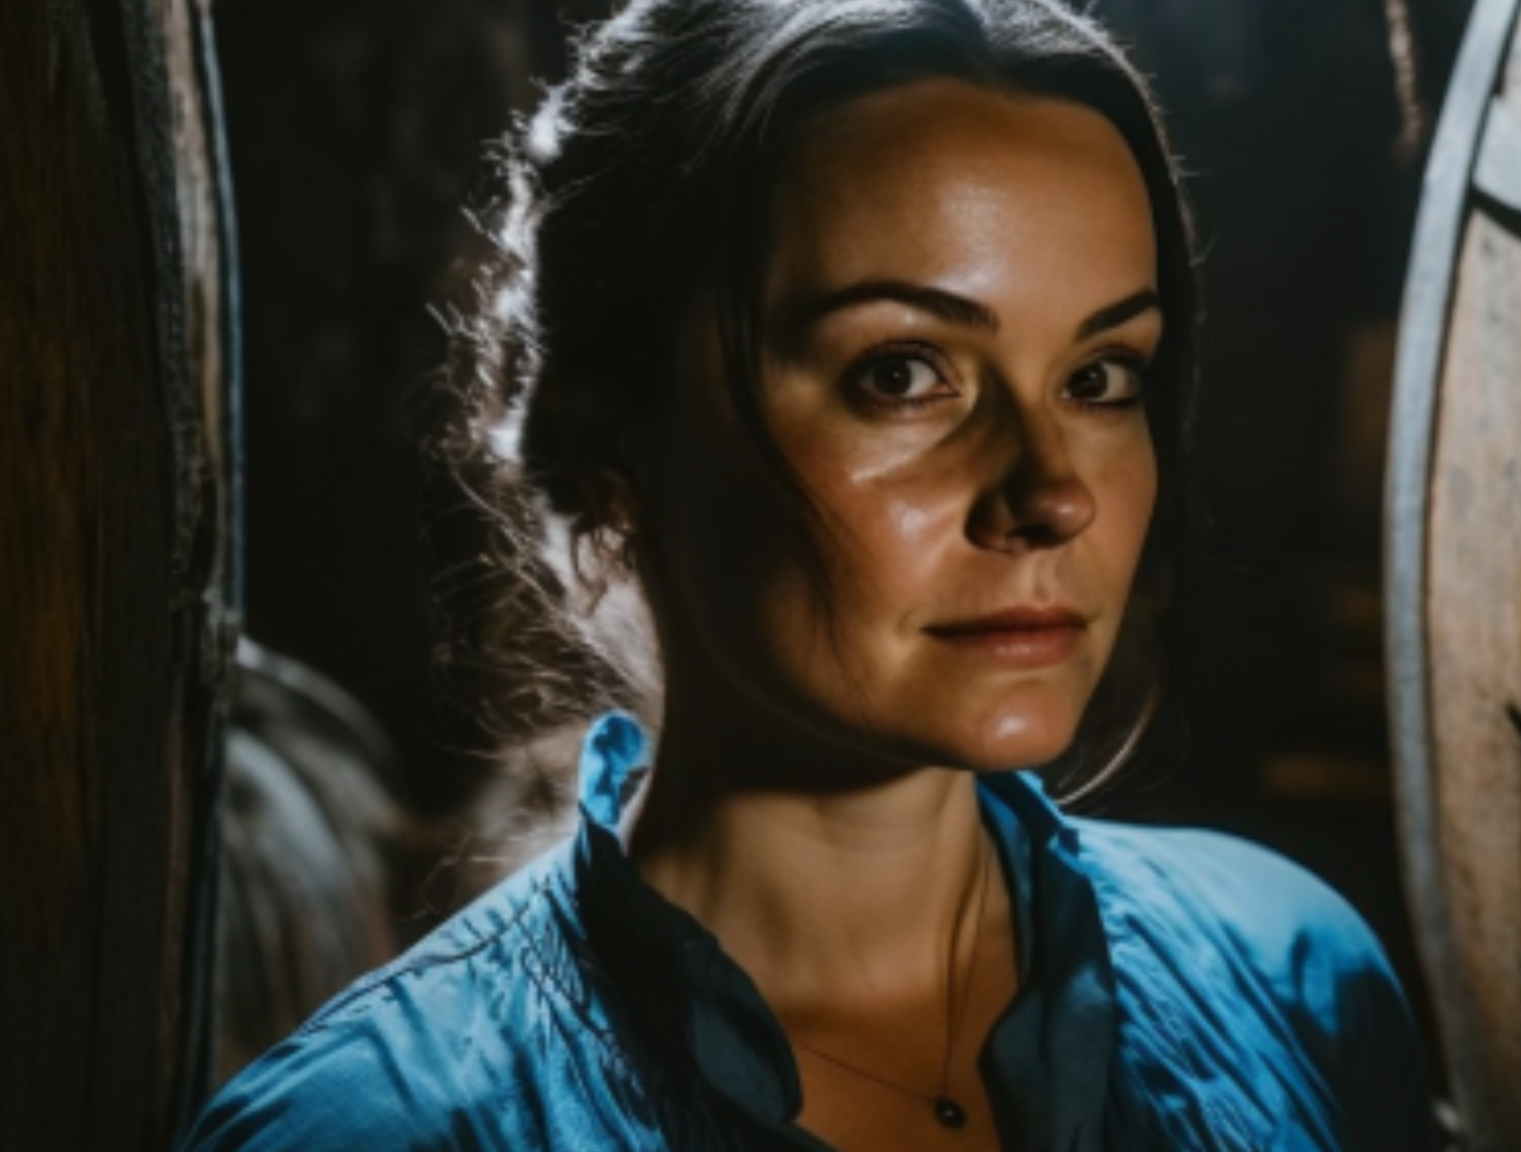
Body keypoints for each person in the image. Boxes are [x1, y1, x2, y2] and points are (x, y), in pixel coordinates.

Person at [183, 0, 1434, 1148]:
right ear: (609, 446)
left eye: (1100, 378)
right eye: (902, 373)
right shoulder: (370, 1130)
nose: (1054, 491)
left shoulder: (1291, 979)